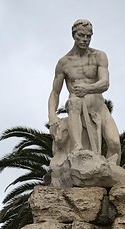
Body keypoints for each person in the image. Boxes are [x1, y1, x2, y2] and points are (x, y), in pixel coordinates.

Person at [48, 19, 121, 164]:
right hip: (77, 108)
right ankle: (77, 147)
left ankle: (111, 174)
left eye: (88, 36)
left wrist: (87, 88)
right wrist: (52, 117)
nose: (85, 39)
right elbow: (55, 93)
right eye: (81, 35)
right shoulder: (64, 62)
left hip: (98, 106)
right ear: (74, 35)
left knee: (114, 143)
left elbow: (105, 83)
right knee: (73, 102)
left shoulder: (99, 56)